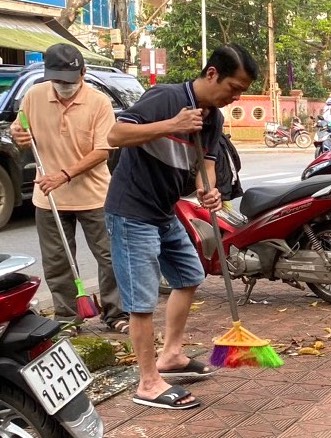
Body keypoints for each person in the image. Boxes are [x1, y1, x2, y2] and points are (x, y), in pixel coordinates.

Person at [104, 43, 258, 410]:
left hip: (164, 209)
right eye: (233, 87)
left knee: (189, 274)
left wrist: (210, 190)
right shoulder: (164, 98)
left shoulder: (214, 118)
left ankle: (171, 356)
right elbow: (115, 135)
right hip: (131, 210)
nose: (235, 96)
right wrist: (171, 125)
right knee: (141, 303)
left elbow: (205, 162)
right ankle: (148, 383)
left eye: (242, 92)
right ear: (211, 74)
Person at [10, 43, 129, 336]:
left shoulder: (99, 102)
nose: (63, 86)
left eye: (69, 80)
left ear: (83, 73)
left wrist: (63, 175)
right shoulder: (34, 96)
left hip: (95, 196)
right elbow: (20, 129)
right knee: (58, 262)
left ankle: (116, 313)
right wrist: (18, 134)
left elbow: (103, 150)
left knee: (110, 258)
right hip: (48, 197)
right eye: (57, 80)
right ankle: (67, 317)